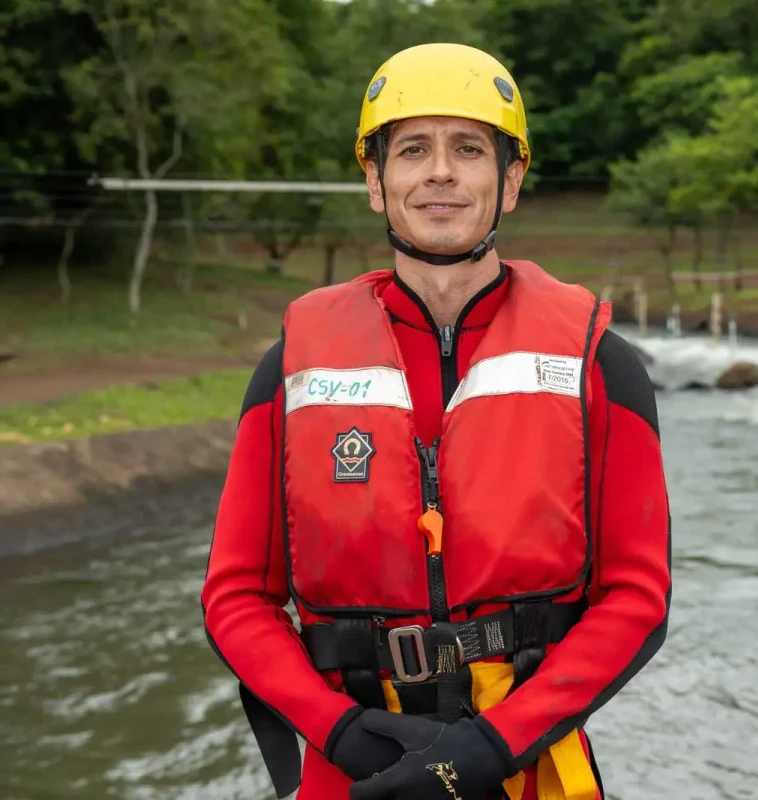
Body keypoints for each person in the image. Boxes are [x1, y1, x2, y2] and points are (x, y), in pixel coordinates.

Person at [200, 42, 672, 800]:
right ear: (375, 181)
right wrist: (341, 732)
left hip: (528, 766)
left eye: (470, 149)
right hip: (354, 767)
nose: (441, 172)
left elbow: (636, 596)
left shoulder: (601, 367)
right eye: (413, 149)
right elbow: (236, 598)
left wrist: (494, 746)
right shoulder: (290, 372)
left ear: (510, 180)